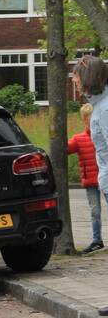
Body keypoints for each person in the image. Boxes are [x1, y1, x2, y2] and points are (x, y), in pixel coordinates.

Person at [73, 56, 108, 253]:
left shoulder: (104, 109)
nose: (73, 80)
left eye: (76, 76)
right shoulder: (100, 106)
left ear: (88, 78)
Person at [68, 104, 103, 253]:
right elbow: (64, 149)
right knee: (95, 211)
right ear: (84, 119)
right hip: (91, 182)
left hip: (105, 179)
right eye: (89, 118)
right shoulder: (79, 139)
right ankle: (97, 241)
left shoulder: (104, 135)